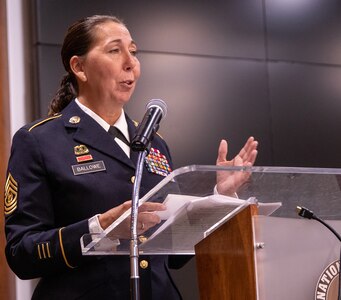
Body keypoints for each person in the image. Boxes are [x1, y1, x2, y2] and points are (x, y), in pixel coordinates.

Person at [4, 15, 258, 299]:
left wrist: (219, 197)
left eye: (134, 52)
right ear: (79, 67)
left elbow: (172, 255)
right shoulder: (40, 140)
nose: (131, 62)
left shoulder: (154, 142)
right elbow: (21, 253)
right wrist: (101, 229)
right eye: (115, 50)